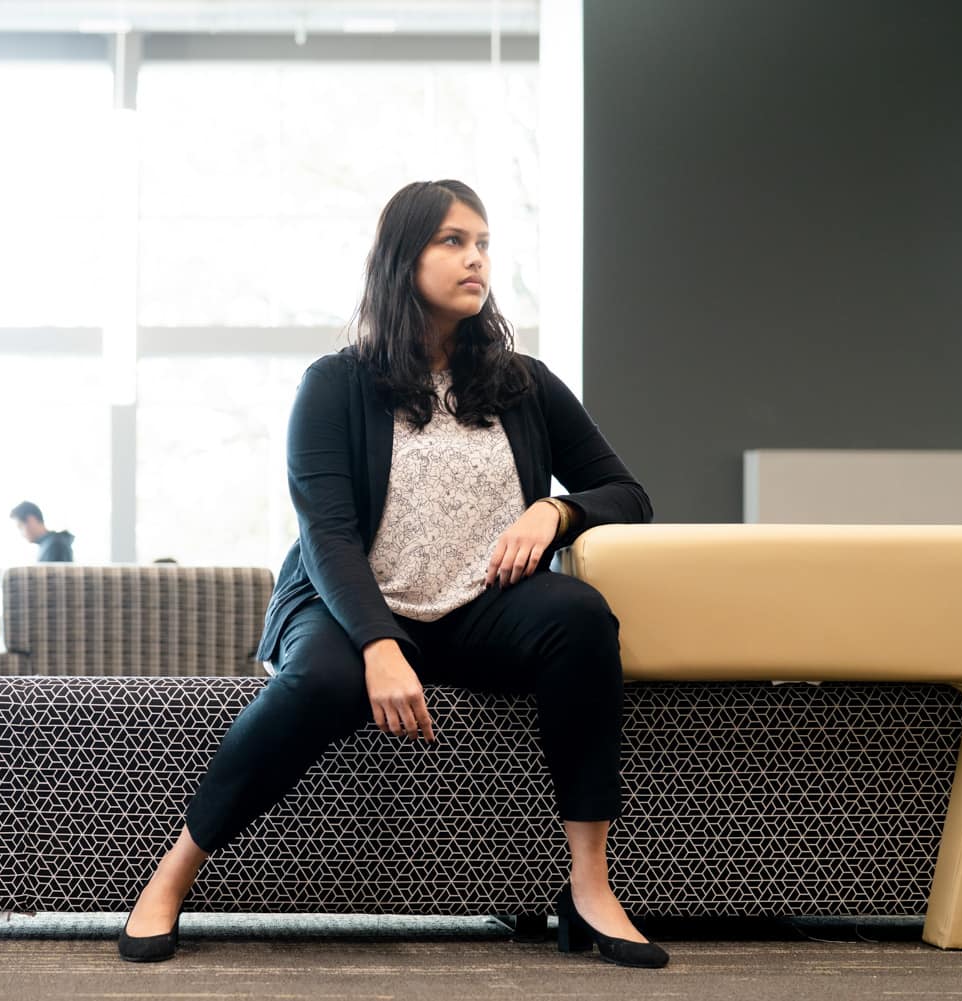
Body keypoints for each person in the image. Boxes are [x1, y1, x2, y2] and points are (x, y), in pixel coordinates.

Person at [118, 180, 665, 969]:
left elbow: (628, 493)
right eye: (452, 240)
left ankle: (587, 888)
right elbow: (329, 535)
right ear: (401, 258)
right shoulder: (335, 384)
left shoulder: (525, 384)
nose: (475, 257)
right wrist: (379, 645)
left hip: (479, 609)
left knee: (580, 616)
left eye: (482, 242)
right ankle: (173, 875)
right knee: (318, 684)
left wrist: (556, 513)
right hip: (346, 603)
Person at [0, 502, 74, 675]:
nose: (21, 534)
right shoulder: (51, 545)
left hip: (32, 619)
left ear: (31, 520)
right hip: (31, 615)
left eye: (20, 527)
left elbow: (49, 591)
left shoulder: (54, 546)